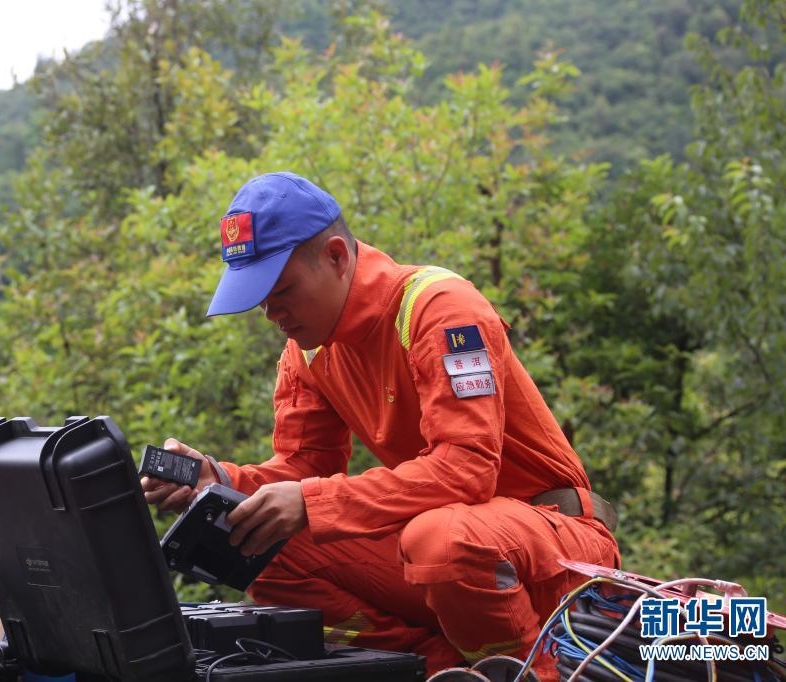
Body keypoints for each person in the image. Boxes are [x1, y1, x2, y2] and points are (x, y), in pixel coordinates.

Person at [142, 171, 620, 680]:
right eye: (259, 298)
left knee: (442, 540)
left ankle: (532, 673)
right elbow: (303, 471)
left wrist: (311, 502)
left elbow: (467, 469)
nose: (270, 313)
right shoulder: (307, 352)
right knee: (262, 543)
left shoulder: (441, 310)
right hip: (442, 560)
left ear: (336, 257)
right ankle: (435, 670)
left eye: (280, 291)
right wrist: (219, 480)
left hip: (551, 547)